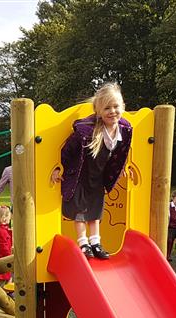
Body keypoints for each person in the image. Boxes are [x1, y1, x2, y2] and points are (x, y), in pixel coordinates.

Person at [50, 82, 133, 260]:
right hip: (80, 175)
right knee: (79, 212)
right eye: (107, 108)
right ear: (98, 111)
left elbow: (123, 151)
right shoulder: (86, 131)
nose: (112, 111)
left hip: (98, 177)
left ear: (123, 107)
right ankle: (83, 243)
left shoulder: (124, 130)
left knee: (95, 212)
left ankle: (95, 243)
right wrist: (59, 167)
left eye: (116, 106)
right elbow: (67, 149)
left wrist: (123, 166)